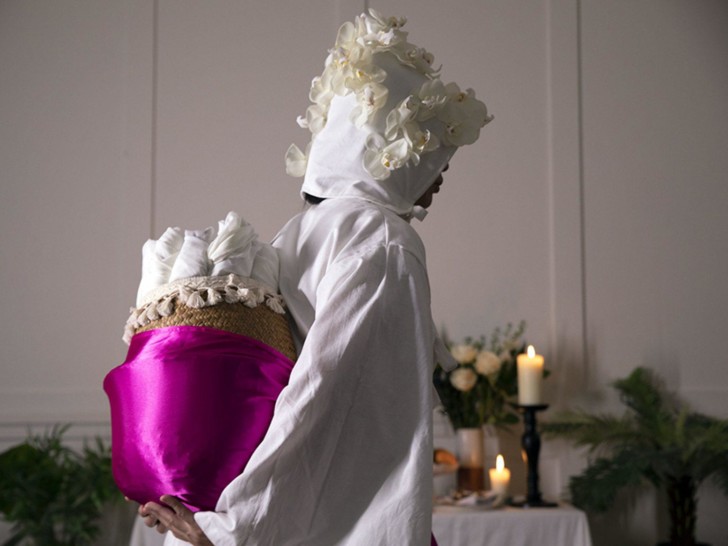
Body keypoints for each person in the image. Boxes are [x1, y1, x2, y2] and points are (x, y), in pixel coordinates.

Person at [138, 9, 491, 545]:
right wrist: (235, 529)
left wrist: (206, 499)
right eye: (429, 151)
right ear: (385, 154)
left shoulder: (302, 230)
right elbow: (323, 392)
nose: (441, 173)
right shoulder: (383, 240)